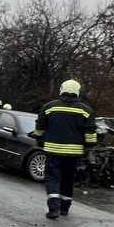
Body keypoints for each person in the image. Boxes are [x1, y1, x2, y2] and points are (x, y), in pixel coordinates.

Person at [34, 80, 96, 219]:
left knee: (53, 178)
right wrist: (89, 148)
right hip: (74, 153)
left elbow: (40, 127)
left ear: (62, 90)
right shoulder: (86, 110)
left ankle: (53, 208)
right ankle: (65, 208)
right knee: (68, 179)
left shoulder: (49, 107)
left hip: (53, 150)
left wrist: (38, 139)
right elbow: (90, 132)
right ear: (77, 91)